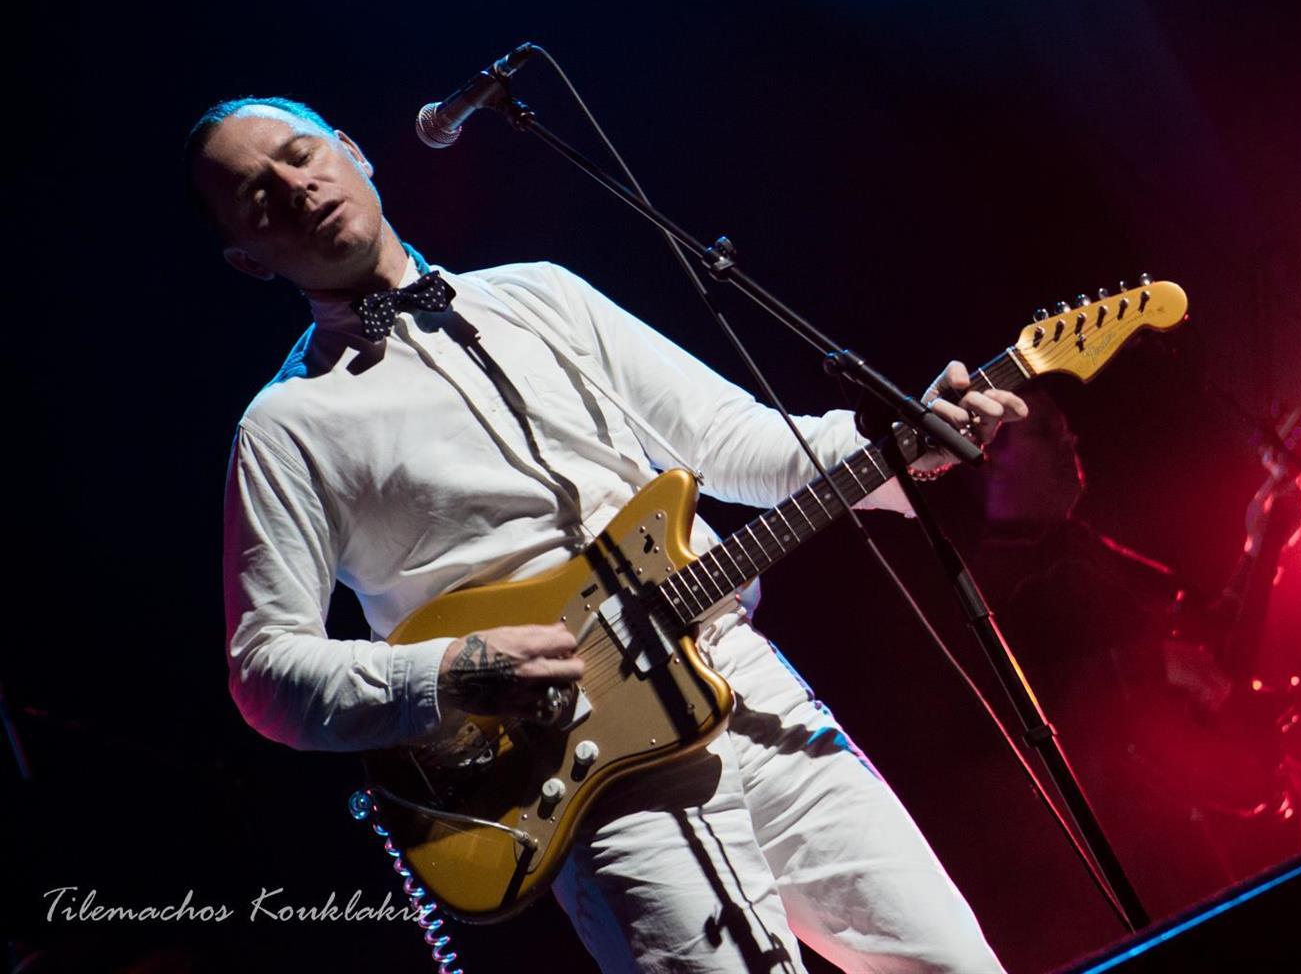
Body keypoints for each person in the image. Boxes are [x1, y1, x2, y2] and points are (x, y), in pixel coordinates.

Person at [189, 96, 1027, 973]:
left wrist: (899, 443)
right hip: (586, 774)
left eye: (301, 152)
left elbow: (733, 439)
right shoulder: (288, 425)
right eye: (256, 195)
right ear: (246, 259)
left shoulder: (540, 293)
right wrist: (454, 671)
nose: (295, 185)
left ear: (353, 151)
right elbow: (265, 672)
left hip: (741, 681)